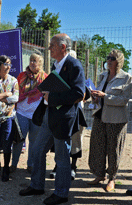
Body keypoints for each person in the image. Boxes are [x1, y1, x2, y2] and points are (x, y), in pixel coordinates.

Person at [19, 34, 86, 205]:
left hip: (64, 118)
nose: (49, 48)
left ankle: (61, 194)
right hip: (50, 116)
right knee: (37, 150)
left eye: (52, 45)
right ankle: (36, 185)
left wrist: (53, 97)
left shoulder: (74, 65)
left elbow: (79, 93)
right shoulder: (57, 65)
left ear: (63, 47)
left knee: (62, 158)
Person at [88, 49, 132, 192]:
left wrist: (105, 96)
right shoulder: (102, 75)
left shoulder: (126, 78)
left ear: (118, 61)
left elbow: (124, 100)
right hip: (100, 116)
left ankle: (112, 178)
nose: (108, 60)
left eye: (112, 58)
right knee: (98, 146)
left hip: (116, 120)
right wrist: (95, 96)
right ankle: (100, 175)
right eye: (107, 58)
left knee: (113, 150)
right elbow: (99, 95)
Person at [49, 50, 86, 180]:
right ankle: (57, 166)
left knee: (75, 140)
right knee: (59, 141)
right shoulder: (56, 69)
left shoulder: (77, 71)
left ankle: (73, 167)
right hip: (59, 111)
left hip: (76, 112)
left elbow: (81, 94)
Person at [10, 52, 48, 174]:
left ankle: (31, 164)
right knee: (19, 139)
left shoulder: (45, 78)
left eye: (35, 61)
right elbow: (16, 92)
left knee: (34, 141)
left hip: (37, 114)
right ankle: (14, 164)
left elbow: (47, 95)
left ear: (40, 63)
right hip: (21, 112)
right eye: (31, 60)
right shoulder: (21, 75)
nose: (32, 62)